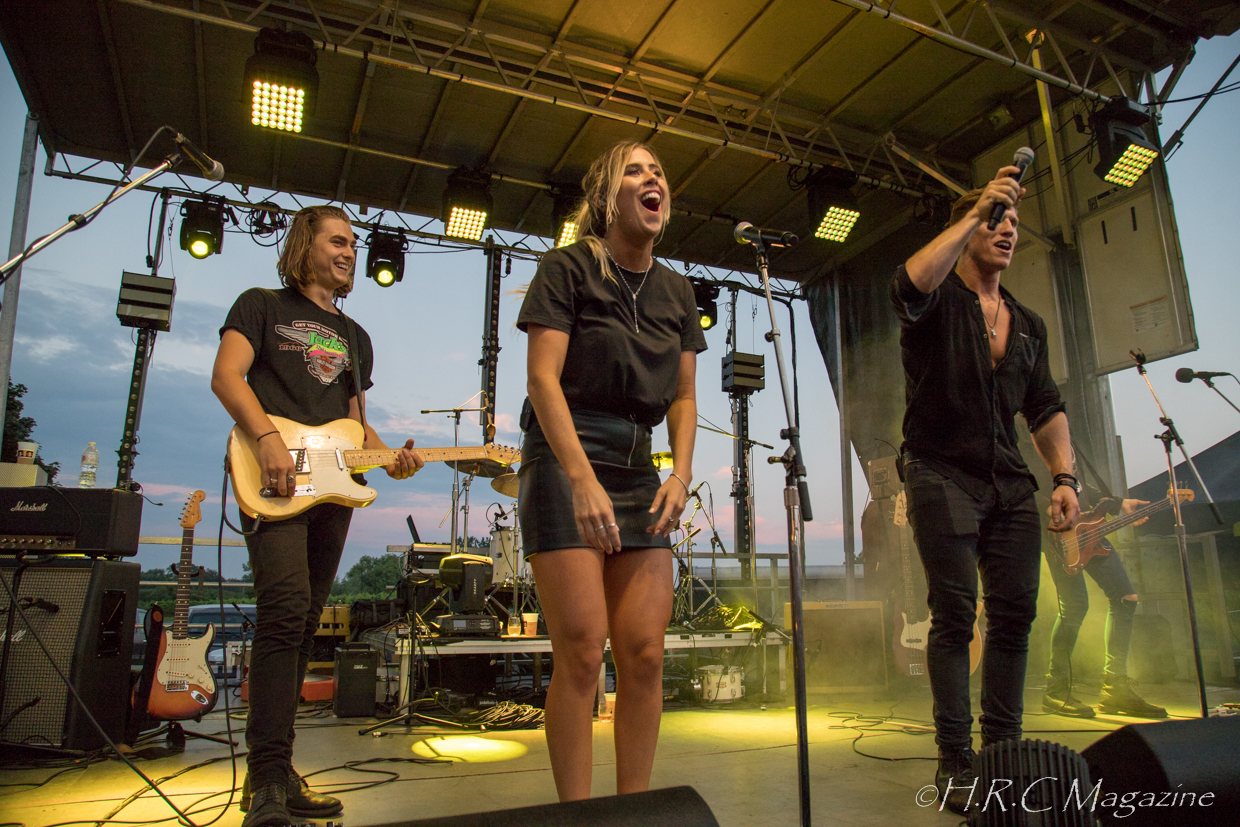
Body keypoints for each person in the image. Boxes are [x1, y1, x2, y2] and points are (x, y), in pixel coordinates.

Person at [211, 205, 424, 827]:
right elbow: (226, 376)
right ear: (305, 245)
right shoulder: (261, 306)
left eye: (353, 243)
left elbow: (354, 425)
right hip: (273, 474)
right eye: (337, 240)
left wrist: (390, 458)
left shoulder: (356, 337)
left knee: (304, 623)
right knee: (283, 613)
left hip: (331, 489)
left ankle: (279, 771)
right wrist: (266, 439)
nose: (349, 251)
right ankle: (264, 781)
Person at [516, 140, 706, 801]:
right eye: (635, 169)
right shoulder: (567, 268)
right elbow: (542, 379)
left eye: (659, 171)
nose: (653, 178)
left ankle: (633, 810)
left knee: (646, 653)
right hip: (565, 454)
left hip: (636, 465)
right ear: (605, 197)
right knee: (580, 647)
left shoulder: (677, 290)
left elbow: (684, 396)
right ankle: (577, 815)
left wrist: (680, 475)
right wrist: (579, 477)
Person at [889, 170, 1081, 815]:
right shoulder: (935, 300)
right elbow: (906, 284)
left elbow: (1045, 406)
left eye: (1013, 223)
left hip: (1008, 481)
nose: (1008, 231)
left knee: (1016, 616)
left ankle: (1003, 754)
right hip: (939, 469)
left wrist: (1064, 477)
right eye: (996, 220)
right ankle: (955, 760)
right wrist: (976, 210)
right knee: (953, 614)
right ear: (968, 228)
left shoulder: (1027, 323)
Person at [1042, 490, 1167, 719]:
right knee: (1075, 607)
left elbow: (1079, 487)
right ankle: (1056, 690)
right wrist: (1049, 508)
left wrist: (1119, 503)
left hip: (1090, 530)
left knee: (1125, 598)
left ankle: (1114, 688)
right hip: (1059, 536)